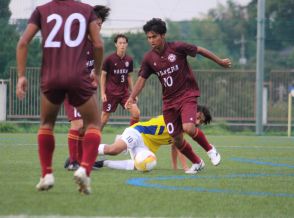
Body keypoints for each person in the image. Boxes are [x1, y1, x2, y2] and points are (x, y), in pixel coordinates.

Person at [16, 0, 105, 195]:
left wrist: (22, 76)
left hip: (51, 75)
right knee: (93, 124)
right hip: (77, 76)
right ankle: (84, 170)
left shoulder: (41, 10)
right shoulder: (86, 10)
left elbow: (23, 42)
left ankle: (46, 174)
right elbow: (98, 44)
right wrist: (97, 73)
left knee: (47, 124)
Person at [125, 18, 231, 174]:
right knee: (177, 139)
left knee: (188, 127)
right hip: (169, 102)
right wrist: (132, 96)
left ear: (163, 35)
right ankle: (197, 162)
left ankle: (210, 149)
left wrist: (220, 62)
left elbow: (199, 50)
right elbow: (142, 79)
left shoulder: (177, 47)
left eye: (154, 36)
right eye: (149, 37)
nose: (151, 40)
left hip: (187, 95)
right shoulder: (149, 59)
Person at [93, 105, 218, 173]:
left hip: (145, 147)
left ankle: (102, 163)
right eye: (198, 117)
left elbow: (176, 147)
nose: (197, 122)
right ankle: (84, 152)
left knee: (142, 166)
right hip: (138, 132)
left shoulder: (184, 128)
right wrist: (186, 168)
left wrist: (176, 167)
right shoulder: (177, 119)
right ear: (192, 111)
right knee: (114, 150)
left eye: (200, 122)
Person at [64, 5, 110, 171]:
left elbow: (94, 71)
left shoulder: (96, 45)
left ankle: (79, 160)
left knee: (86, 127)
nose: (99, 27)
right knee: (77, 125)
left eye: (101, 24)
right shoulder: (77, 43)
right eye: (97, 23)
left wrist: (94, 77)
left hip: (85, 91)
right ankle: (73, 163)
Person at [100, 34, 140, 130]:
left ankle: (130, 137)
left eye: (124, 43)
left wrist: (133, 93)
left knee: (136, 113)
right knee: (104, 119)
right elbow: (103, 76)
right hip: (111, 93)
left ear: (126, 45)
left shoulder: (129, 60)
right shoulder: (109, 59)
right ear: (116, 45)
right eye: (120, 43)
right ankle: (95, 139)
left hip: (124, 93)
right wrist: (102, 93)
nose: (122, 45)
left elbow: (129, 76)